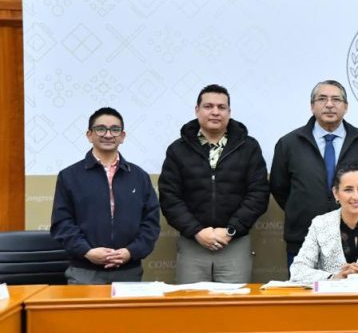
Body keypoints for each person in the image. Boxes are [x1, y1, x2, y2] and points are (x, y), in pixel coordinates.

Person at [159, 84, 270, 284]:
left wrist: (230, 230)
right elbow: (169, 197)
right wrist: (197, 231)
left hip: (234, 243)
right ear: (197, 110)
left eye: (221, 107)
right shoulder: (178, 150)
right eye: (208, 106)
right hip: (193, 243)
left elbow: (258, 194)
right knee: (191, 309)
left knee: (234, 310)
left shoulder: (249, 147)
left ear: (229, 112)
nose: (215, 112)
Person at [270, 80, 358, 266]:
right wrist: (303, 207)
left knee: (350, 294)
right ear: (312, 106)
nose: (329, 104)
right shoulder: (289, 143)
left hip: (354, 239)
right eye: (322, 99)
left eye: (336, 99)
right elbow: (280, 188)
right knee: (304, 293)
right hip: (303, 238)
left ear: (346, 107)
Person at [50, 107, 160, 284]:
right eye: (101, 129)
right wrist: (87, 251)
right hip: (84, 271)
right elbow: (62, 223)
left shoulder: (139, 177)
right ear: (89, 135)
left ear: (122, 136)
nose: (108, 134)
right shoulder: (69, 176)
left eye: (115, 129)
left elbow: (151, 223)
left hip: (128, 271)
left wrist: (130, 252)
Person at [289, 164, 358, 284]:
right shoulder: (320, 224)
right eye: (348, 189)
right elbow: (298, 270)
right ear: (336, 193)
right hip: (331, 299)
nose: (356, 196)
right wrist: (334, 277)